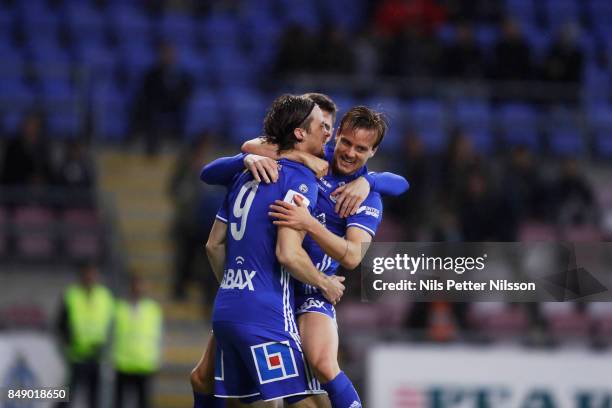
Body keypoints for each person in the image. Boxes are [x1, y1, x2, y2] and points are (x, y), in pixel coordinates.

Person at [197, 96, 408, 408]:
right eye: (346, 142)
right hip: (270, 285)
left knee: (321, 368)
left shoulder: (364, 196)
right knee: (207, 379)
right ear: (335, 135)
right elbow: (239, 153)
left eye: (361, 149)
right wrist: (247, 159)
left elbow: (351, 256)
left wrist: (364, 185)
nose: (349, 153)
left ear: (373, 152)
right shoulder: (310, 158)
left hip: (309, 290)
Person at [195, 94, 345, 407]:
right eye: (322, 126)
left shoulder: (245, 175)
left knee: (226, 392)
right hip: (268, 312)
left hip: (228, 305)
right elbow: (288, 254)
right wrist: (325, 282)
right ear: (301, 133)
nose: (328, 134)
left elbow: (213, 245)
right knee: (308, 400)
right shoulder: (299, 178)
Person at [55, 262, 114, 408]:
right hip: (76, 355)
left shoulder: (105, 296)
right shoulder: (72, 295)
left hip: (96, 355)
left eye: (93, 274)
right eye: (87, 274)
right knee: (67, 395)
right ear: (81, 276)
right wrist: (68, 341)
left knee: (94, 398)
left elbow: (112, 325)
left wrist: (106, 346)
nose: (90, 278)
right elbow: (60, 323)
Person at [112, 275, 163, 408]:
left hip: (144, 364)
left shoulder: (153, 309)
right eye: (135, 285)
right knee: (119, 402)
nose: (138, 288)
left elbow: (158, 337)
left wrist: (158, 358)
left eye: (141, 285)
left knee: (143, 403)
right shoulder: (119, 308)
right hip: (122, 363)